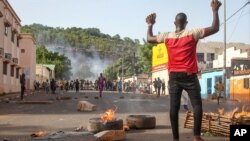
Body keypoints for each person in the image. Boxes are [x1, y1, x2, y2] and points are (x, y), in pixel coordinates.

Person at [146, 0, 221, 140]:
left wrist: (150, 25)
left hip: (174, 76)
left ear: (175, 23)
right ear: (186, 23)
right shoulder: (193, 33)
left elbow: (149, 38)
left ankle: (175, 138)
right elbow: (215, 28)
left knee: (174, 108)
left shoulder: (167, 36)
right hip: (189, 75)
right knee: (197, 105)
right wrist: (215, 10)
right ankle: (196, 136)